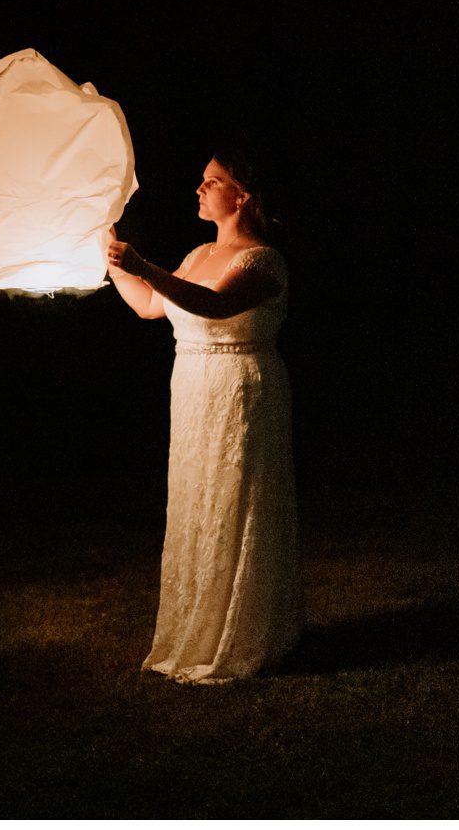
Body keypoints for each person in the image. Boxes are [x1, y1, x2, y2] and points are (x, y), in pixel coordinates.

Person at [105, 147, 301, 684]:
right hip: (193, 388)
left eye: (212, 181)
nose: (199, 189)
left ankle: (244, 633)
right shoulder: (195, 255)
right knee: (199, 501)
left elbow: (213, 307)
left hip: (242, 388)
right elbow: (150, 305)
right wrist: (110, 254)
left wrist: (143, 264)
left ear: (242, 195)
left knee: (238, 499)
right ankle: (196, 626)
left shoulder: (263, 260)